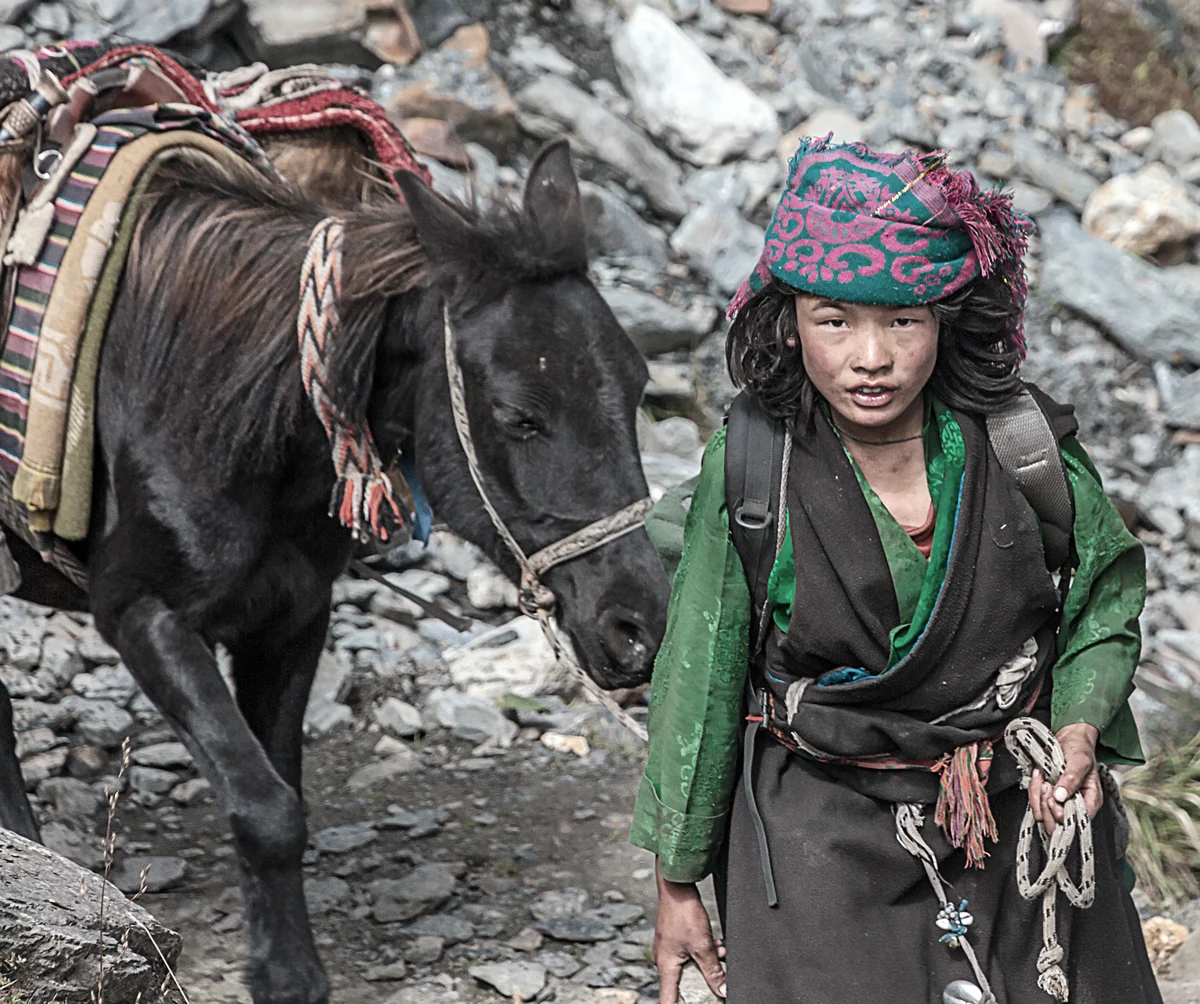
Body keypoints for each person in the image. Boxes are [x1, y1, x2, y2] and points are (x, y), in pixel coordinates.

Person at [630, 136, 1162, 1004]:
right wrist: (677, 882)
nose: (869, 358)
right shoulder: (756, 467)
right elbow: (701, 671)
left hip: (1017, 803)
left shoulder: (1020, 445)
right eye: (834, 321)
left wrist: (1077, 732)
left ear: (944, 321)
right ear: (788, 319)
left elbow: (1104, 595)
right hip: (823, 828)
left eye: (902, 322)